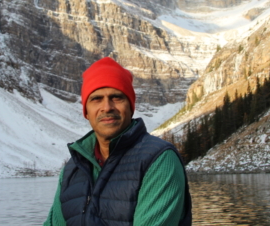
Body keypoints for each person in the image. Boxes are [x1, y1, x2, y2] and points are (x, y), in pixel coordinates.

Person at [44, 57, 192, 225]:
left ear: (131, 107)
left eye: (116, 97)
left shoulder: (160, 160)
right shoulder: (72, 169)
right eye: (96, 99)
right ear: (86, 111)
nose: (107, 107)